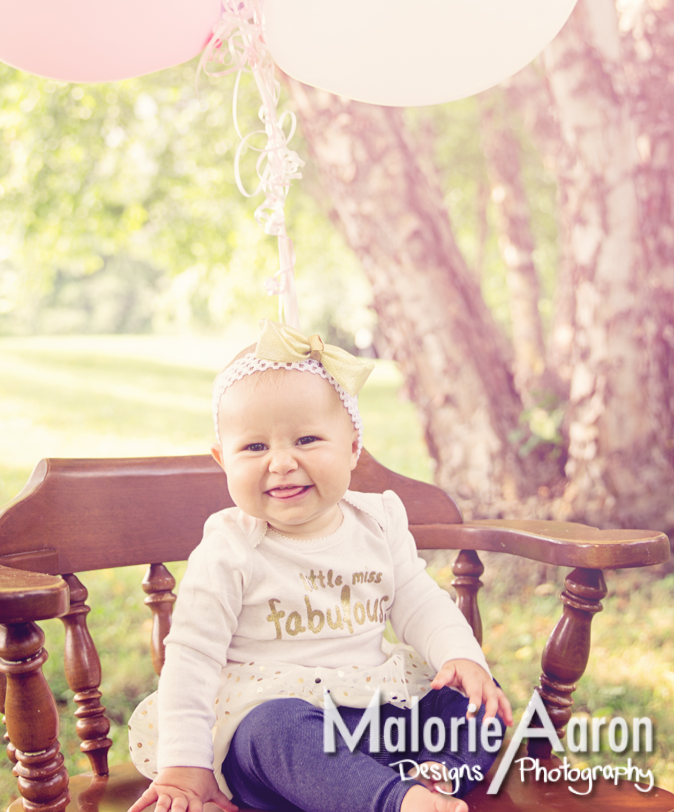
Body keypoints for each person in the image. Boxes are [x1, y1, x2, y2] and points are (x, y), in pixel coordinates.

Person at [127, 321, 513, 812]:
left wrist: (462, 657)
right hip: (285, 743)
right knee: (273, 729)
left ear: (353, 447)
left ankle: (429, 780)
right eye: (255, 447)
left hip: (382, 721)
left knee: (478, 697)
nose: (282, 462)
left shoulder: (378, 520)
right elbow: (192, 656)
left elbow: (418, 601)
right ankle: (394, 801)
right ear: (223, 460)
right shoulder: (231, 546)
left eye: (307, 439)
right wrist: (184, 764)